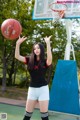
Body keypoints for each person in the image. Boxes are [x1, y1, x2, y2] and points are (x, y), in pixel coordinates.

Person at [15, 35, 52, 120]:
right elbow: (17, 56)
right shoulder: (29, 60)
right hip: (32, 90)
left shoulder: (44, 61)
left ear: (41, 49)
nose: (36, 50)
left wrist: (48, 44)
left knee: (44, 116)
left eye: (38, 48)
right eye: (35, 48)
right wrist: (18, 44)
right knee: (27, 115)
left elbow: (50, 58)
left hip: (43, 90)